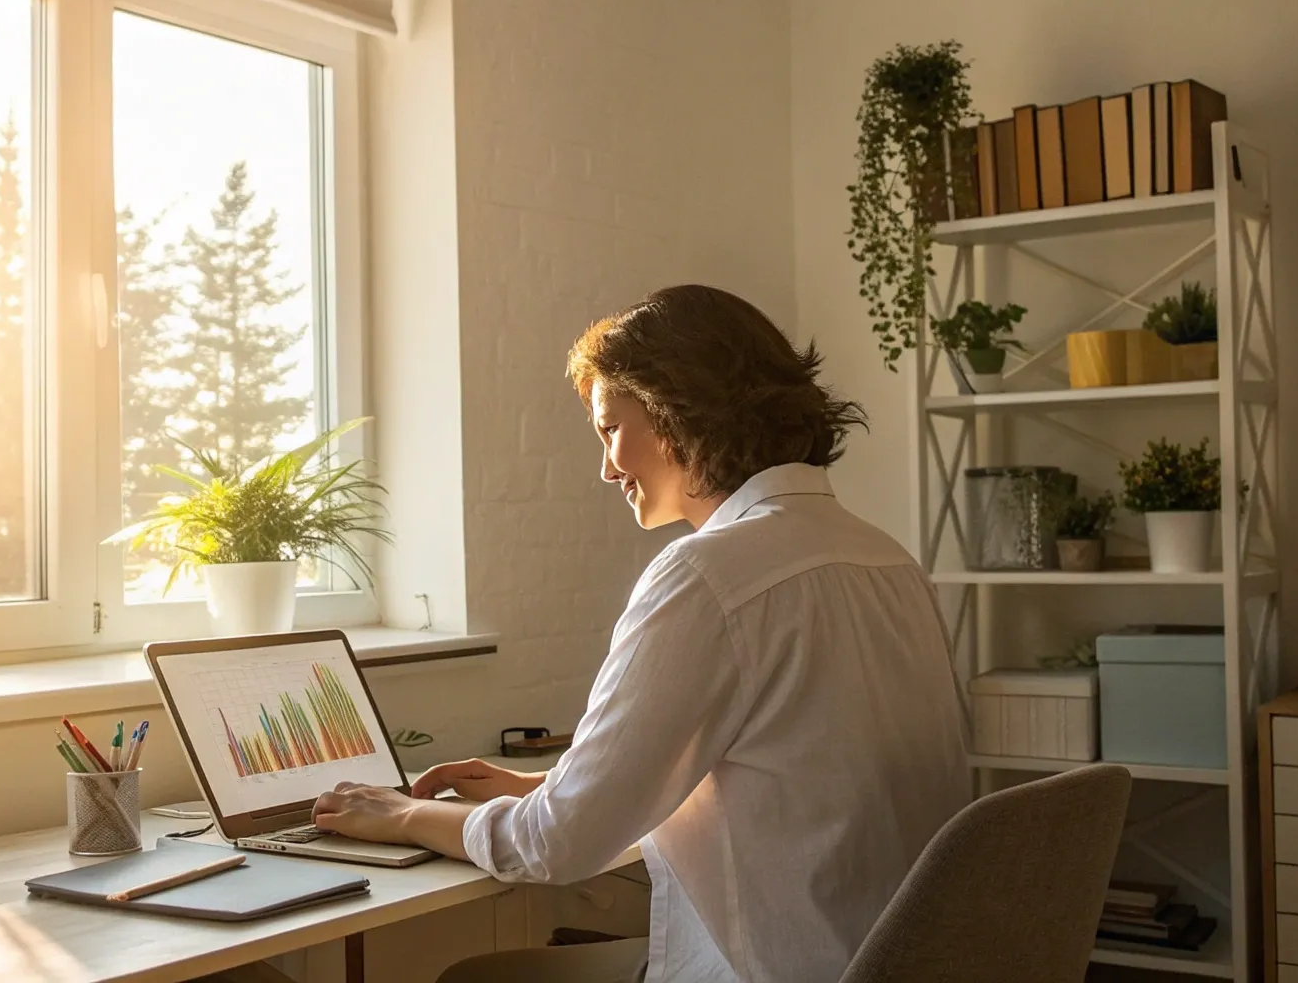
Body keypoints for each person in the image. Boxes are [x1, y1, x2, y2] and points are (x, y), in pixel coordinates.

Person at [311, 285, 970, 983]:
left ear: (673, 414)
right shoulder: (887, 559)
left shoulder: (707, 576)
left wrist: (403, 814)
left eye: (609, 429)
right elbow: (801, 774)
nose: (606, 466)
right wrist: (552, 786)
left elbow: (557, 847)